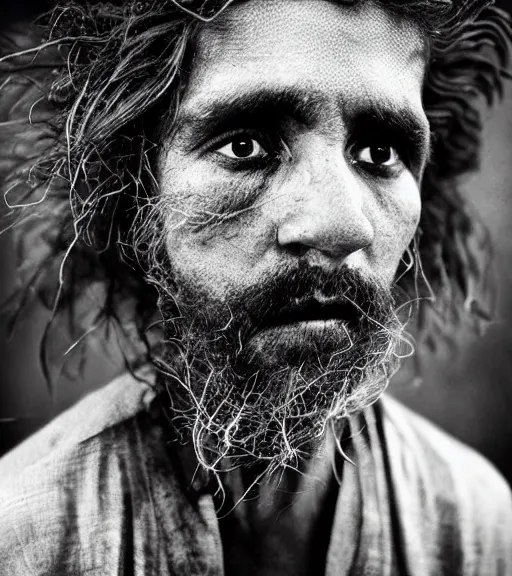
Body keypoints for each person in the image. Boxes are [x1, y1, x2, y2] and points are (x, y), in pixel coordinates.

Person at [0, 0, 511, 573]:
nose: (343, 225)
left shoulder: (476, 527)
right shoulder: (26, 538)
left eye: (379, 153)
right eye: (245, 145)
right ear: (134, 190)